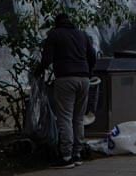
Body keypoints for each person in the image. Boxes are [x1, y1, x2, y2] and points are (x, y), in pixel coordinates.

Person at [41, 11, 97, 168]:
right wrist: (89, 72)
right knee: (78, 118)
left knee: (65, 117)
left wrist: (39, 70)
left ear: (57, 23)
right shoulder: (81, 34)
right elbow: (92, 56)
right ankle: (77, 153)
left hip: (66, 78)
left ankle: (66, 156)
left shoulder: (54, 34)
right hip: (84, 79)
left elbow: (46, 59)